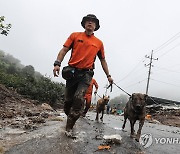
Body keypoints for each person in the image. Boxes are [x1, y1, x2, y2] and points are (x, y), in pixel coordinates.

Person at [53, 14, 113, 136]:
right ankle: (70, 116)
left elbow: (102, 60)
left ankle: (69, 128)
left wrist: (108, 76)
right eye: (88, 21)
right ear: (84, 24)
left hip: (86, 74)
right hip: (72, 72)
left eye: (93, 22)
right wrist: (57, 63)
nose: (90, 23)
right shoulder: (75, 35)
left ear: (96, 26)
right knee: (68, 102)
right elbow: (64, 50)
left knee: (79, 98)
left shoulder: (99, 43)